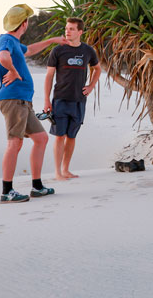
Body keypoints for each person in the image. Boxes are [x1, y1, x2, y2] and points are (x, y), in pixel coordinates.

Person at [0, 4, 68, 203]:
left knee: (41, 138)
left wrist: (53, 41)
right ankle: (6, 191)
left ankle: (37, 187)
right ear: (24, 23)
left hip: (23, 102)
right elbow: (2, 56)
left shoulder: (15, 43)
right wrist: (13, 71)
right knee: (15, 143)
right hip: (13, 100)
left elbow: (30, 50)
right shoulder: (6, 40)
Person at [43, 17, 101, 181]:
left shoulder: (88, 51)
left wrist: (91, 86)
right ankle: (57, 172)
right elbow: (49, 76)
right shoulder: (58, 50)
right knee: (59, 135)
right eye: (67, 28)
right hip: (60, 99)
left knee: (71, 136)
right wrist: (47, 100)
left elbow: (97, 69)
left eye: (72, 29)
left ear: (80, 32)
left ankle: (66, 169)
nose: (67, 31)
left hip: (79, 100)